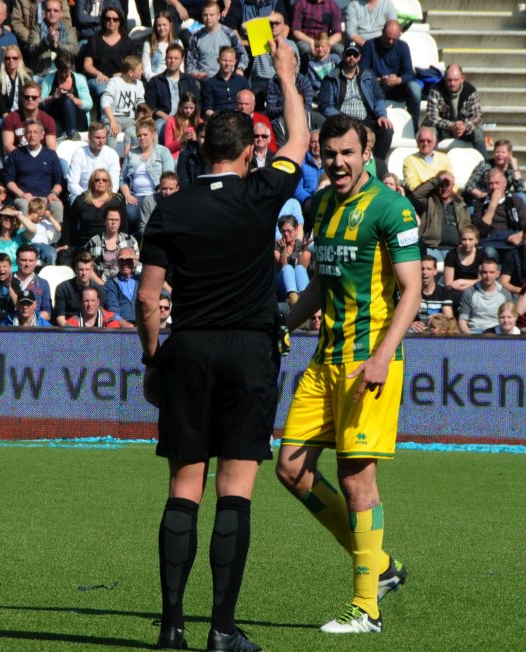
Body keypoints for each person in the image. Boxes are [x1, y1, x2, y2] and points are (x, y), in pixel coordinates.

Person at [137, 35, 308, 652]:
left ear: (203, 150)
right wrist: (285, 74)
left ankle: (171, 627)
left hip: (189, 350)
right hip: (249, 353)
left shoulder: (171, 209)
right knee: (236, 489)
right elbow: (298, 142)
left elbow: (147, 299)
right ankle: (222, 631)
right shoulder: (261, 194)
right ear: (246, 154)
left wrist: (154, 358)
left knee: (185, 487)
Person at [275, 112, 419, 635]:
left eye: (346, 153)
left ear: (367, 150)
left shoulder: (392, 208)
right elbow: (322, 282)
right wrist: (283, 322)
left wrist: (382, 356)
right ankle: (378, 566)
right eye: (328, 153)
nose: (337, 162)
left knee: (356, 478)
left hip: (367, 363)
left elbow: (412, 291)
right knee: (290, 468)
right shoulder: (321, 204)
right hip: (324, 359)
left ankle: (367, 608)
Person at [318, 41, 394, 160]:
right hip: (342, 121)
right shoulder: (331, 78)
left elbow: (379, 97)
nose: (351, 57)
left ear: (360, 57)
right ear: (343, 55)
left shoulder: (368, 75)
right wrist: (344, 119)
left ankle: (378, 165)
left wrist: (382, 115)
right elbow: (324, 106)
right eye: (348, 54)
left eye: (355, 54)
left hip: (366, 119)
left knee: (387, 129)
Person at [361, 20, 420, 130]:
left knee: (415, 89)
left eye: (394, 39)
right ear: (382, 32)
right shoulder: (370, 46)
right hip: (376, 87)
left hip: (397, 88)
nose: (391, 42)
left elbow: (409, 74)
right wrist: (378, 80)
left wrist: (399, 80)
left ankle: (414, 126)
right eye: (388, 38)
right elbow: (362, 72)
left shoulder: (402, 47)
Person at [2, 119, 64, 222]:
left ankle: (53, 238)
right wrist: (22, 194)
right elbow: (9, 181)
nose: (32, 135)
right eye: (29, 132)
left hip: (45, 198)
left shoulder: (51, 155)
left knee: (57, 206)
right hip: (24, 198)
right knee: (24, 205)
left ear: (42, 135)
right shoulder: (16, 154)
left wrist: (53, 193)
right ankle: (25, 236)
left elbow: (58, 181)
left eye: (35, 132)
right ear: (25, 135)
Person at [120, 117, 174, 230]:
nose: (141, 138)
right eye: (139, 135)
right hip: (135, 195)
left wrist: (160, 191)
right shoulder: (131, 154)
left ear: (153, 134)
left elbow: (169, 176)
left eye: (145, 134)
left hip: (156, 194)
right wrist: (127, 195)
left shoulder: (163, 152)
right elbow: (122, 179)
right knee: (130, 215)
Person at [423, 63, 487, 156]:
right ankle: (429, 162)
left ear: (462, 78)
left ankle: (485, 165)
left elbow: (477, 117)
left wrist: (464, 126)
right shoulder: (435, 90)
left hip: (464, 130)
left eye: (456, 80)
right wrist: (452, 126)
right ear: (444, 78)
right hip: (443, 129)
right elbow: (432, 117)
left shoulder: (470, 91)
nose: (452, 83)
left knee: (478, 133)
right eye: (449, 80)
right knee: (430, 133)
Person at [409, 169, 471, 262]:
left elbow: (467, 226)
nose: (444, 188)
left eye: (447, 185)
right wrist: (437, 180)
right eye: (441, 185)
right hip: (432, 248)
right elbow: (416, 194)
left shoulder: (460, 204)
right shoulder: (429, 200)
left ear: (453, 185)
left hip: (455, 249)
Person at [82, 5, 136, 107]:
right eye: (108, 18)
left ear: (119, 22)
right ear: (103, 20)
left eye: (115, 19)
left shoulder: (128, 42)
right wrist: (98, 74)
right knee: (104, 91)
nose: (111, 21)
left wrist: (124, 75)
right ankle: (105, 120)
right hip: (98, 79)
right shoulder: (94, 40)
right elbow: (87, 65)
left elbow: (134, 66)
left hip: (121, 79)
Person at [473, 167, 526, 260]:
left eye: (497, 183)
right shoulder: (480, 203)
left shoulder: (516, 201)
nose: (494, 187)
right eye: (491, 184)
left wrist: (519, 235)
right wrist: (492, 204)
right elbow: (479, 232)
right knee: (489, 252)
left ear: (505, 184)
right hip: (490, 241)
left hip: (510, 240)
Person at [185, 1, 247, 82]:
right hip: (204, 82)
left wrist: (240, 68)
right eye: (205, 15)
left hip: (226, 81)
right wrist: (195, 74)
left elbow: (242, 53)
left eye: (211, 15)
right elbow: (190, 62)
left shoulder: (228, 33)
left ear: (218, 16)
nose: (208, 18)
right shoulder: (196, 37)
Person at [65, 167, 125, 250]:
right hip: (85, 245)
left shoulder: (117, 201)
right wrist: (65, 243)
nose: (101, 182)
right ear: (92, 183)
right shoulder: (81, 200)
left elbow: (124, 225)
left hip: (110, 244)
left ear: (109, 183)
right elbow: (69, 223)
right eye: (97, 180)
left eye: (104, 180)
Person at [145, 43, 199, 134]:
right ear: (165, 59)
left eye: (176, 58)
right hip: (164, 119)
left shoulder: (189, 80)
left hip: (187, 117)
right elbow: (150, 106)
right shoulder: (155, 81)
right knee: (159, 126)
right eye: (169, 58)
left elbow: (197, 101)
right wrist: (166, 117)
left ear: (182, 60)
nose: (172, 61)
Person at [249, 12, 298, 110]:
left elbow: (296, 66)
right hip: (260, 80)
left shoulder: (290, 45)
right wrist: (266, 19)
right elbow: (244, 27)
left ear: (284, 26)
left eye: (277, 23)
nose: (274, 26)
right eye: (271, 23)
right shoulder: (258, 39)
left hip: (279, 79)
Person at [83, 205, 139, 284]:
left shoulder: (130, 241)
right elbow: (85, 266)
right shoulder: (94, 241)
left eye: (116, 220)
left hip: (125, 283)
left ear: (120, 222)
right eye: (110, 219)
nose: (113, 223)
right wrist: (101, 284)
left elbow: (138, 266)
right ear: (104, 221)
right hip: (99, 285)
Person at [40, 55, 92, 140]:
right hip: (56, 118)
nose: (64, 75)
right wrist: (53, 97)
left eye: (66, 72)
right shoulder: (48, 79)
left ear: (71, 68)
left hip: (77, 118)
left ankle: (72, 133)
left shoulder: (80, 79)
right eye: (61, 72)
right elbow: (40, 102)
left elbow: (89, 104)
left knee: (67, 100)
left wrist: (74, 100)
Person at [67, 123, 120, 204]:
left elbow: (114, 184)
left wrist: (103, 197)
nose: (101, 141)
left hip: (105, 196)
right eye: (97, 138)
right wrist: (88, 197)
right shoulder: (79, 153)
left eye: (104, 138)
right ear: (89, 137)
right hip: (82, 195)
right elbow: (72, 184)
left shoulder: (112, 154)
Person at [0, 205, 36, 284]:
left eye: (11, 217)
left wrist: (16, 214)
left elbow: (33, 230)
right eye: (5, 216)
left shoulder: (21, 235)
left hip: (20, 277)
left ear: (15, 221)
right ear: (0, 219)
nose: (8, 219)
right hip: (0, 277)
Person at [464, 139, 526, 206]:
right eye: (497, 152)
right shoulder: (485, 164)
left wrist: (515, 167)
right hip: (481, 199)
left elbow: (520, 188)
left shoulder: (512, 168)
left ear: (509, 154)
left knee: (522, 196)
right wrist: (480, 194)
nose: (500, 155)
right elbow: (469, 185)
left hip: (502, 199)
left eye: (503, 152)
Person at [457, 259, 513, 334]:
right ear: (480, 273)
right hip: (475, 332)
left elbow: (510, 320)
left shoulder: (505, 294)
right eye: (485, 272)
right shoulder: (469, 292)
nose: (488, 276)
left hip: (497, 333)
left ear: (497, 274)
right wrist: (471, 338)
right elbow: (462, 321)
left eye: (491, 272)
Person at [25, 0, 78, 78]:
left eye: (55, 10)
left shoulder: (70, 30)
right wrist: (47, 40)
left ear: (61, 13)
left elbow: (74, 50)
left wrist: (58, 45)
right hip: (41, 74)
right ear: (44, 12)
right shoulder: (36, 29)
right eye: (49, 10)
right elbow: (31, 49)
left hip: (65, 74)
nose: (52, 13)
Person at [1, 80, 58, 153]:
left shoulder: (48, 120)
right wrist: (26, 159)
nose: (30, 99)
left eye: (34, 97)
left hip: (40, 159)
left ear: (40, 99)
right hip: (16, 158)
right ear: (22, 98)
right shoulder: (11, 118)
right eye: (26, 97)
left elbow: (51, 148)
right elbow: (7, 146)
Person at [54, 250, 105, 326]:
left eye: (87, 269)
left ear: (91, 270)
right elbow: (60, 317)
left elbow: (100, 315)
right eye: (81, 270)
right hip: (69, 328)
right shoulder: (62, 289)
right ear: (75, 269)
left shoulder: (99, 290)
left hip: (92, 328)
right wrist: (73, 332)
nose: (84, 273)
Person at [201, 45, 250, 116]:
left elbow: (248, 104)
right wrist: (219, 118)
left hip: (239, 119)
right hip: (218, 121)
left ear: (235, 62)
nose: (227, 64)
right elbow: (207, 109)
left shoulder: (242, 82)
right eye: (224, 60)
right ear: (218, 60)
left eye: (230, 61)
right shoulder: (210, 84)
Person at [401, 126, 453, 193]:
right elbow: (412, 185)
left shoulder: (444, 158)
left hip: (441, 196)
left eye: (429, 141)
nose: (425, 143)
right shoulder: (409, 160)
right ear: (417, 142)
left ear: (435, 142)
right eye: (422, 141)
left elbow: (452, 182)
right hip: (420, 198)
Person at [292, 0, 343, 67]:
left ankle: (339, 74)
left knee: (339, 49)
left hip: (325, 40)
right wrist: (311, 41)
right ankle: (305, 73)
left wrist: (327, 44)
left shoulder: (333, 6)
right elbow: (295, 31)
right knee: (305, 48)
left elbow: (338, 34)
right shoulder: (301, 4)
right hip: (306, 40)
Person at [410, 255, 453, 332]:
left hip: (436, 331)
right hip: (416, 331)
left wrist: (437, 319)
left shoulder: (443, 292)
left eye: (429, 269)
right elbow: (403, 316)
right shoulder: (411, 291)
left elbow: (449, 318)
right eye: (422, 269)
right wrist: (410, 323)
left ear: (435, 271)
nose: (424, 272)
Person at [443, 224, 481, 310]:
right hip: (455, 291)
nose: (467, 243)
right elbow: (449, 284)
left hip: (475, 290)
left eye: (470, 239)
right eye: (464, 239)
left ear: (476, 241)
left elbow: (481, 281)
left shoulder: (481, 255)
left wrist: (461, 281)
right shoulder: (452, 255)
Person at [0, 44, 31, 119]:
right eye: (8, 58)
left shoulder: (26, 77)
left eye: (15, 58)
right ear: (4, 60)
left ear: (19, 59)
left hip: (22, 115)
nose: (11, 60)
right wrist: (5, 114)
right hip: (1, 115)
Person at [275, 214, 310, 304]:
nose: (286, 234)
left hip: (299, 285)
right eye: (283, 231)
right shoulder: (277, 246)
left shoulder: (300, 245)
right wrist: (283, 250)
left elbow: (303, 267)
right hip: (283, 287)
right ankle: (294, 301)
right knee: (287, 268)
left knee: (299, 269)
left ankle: (304, 300)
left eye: (289, 231)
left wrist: (300, 250)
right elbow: (282, 267)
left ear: (296, 230)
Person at [12, 242, 51, 320]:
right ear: (17, 260)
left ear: (35, 262)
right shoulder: (7, 281)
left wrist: (31, 320)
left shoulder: (43, 283)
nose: (27, 264)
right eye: (23, 260)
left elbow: (47, 312)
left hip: (34, 329)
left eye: (31, 261)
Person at [104, 246, 139, 327]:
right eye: (121, 261)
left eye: (128, 260)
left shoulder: (141, 280)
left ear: (133, 262)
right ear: (117, 262)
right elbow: (112, 310)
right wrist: (124, 323)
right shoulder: (111, 284)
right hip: (122, 328)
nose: (125, 264)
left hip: (142, 325)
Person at [163, 90, 201, 159]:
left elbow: (205, 144)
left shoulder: (199, 122)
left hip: (195, 156)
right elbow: (167, 148)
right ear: (181, 106)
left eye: (191, 108)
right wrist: (181, 139)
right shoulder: (171, 121)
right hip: (177, 157)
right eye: (186, 107)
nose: (188, 111)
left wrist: (197, 139)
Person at [25, 196, 61, 265]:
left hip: (43, 245)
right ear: (31, 213)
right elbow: (21, 226)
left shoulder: (43, 222)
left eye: (42, 215)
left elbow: (58, 229)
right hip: (30, 245)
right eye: (38, 215)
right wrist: (30, 217)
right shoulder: (27, 221)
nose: (40, 218)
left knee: (52, 253)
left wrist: (50, 217)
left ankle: (51, 272)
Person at [142, 12, 178, 81]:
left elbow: (181, 68)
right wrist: (157, 81)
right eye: (159, 25)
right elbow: (146, 70)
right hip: (155, 80)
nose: (161, 28)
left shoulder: (177, 43)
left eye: (164, 25)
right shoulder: (148, 44)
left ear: (170, 25)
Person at [177, 121, 206, 187]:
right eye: (202, 137)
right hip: (192, 193)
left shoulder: (217, 156)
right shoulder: (185, 155)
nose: (205, 141)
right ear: (197, 137)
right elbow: (184, 183)